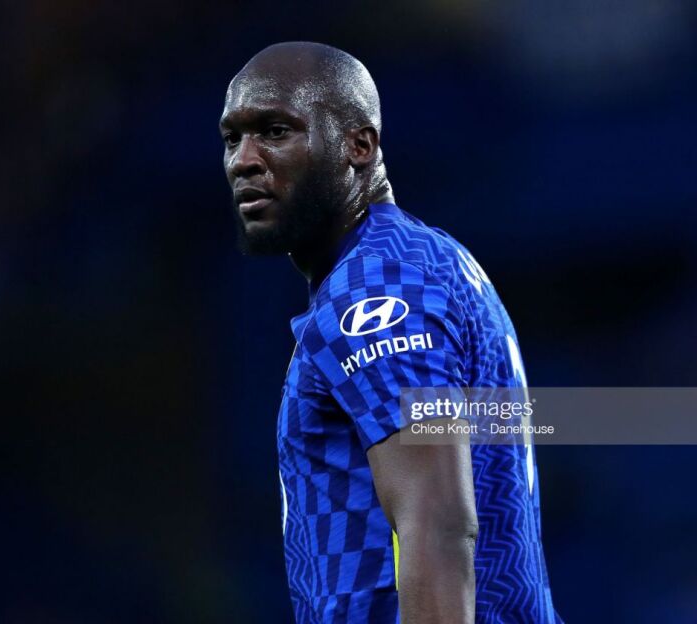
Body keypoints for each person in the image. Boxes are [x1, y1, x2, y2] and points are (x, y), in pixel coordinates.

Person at [220, 41, 562, 624]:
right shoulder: (422, 261)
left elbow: (439, 522)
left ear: (359, 146)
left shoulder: (376, 290)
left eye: (275, 131)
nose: (244, 161)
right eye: (233, 138)